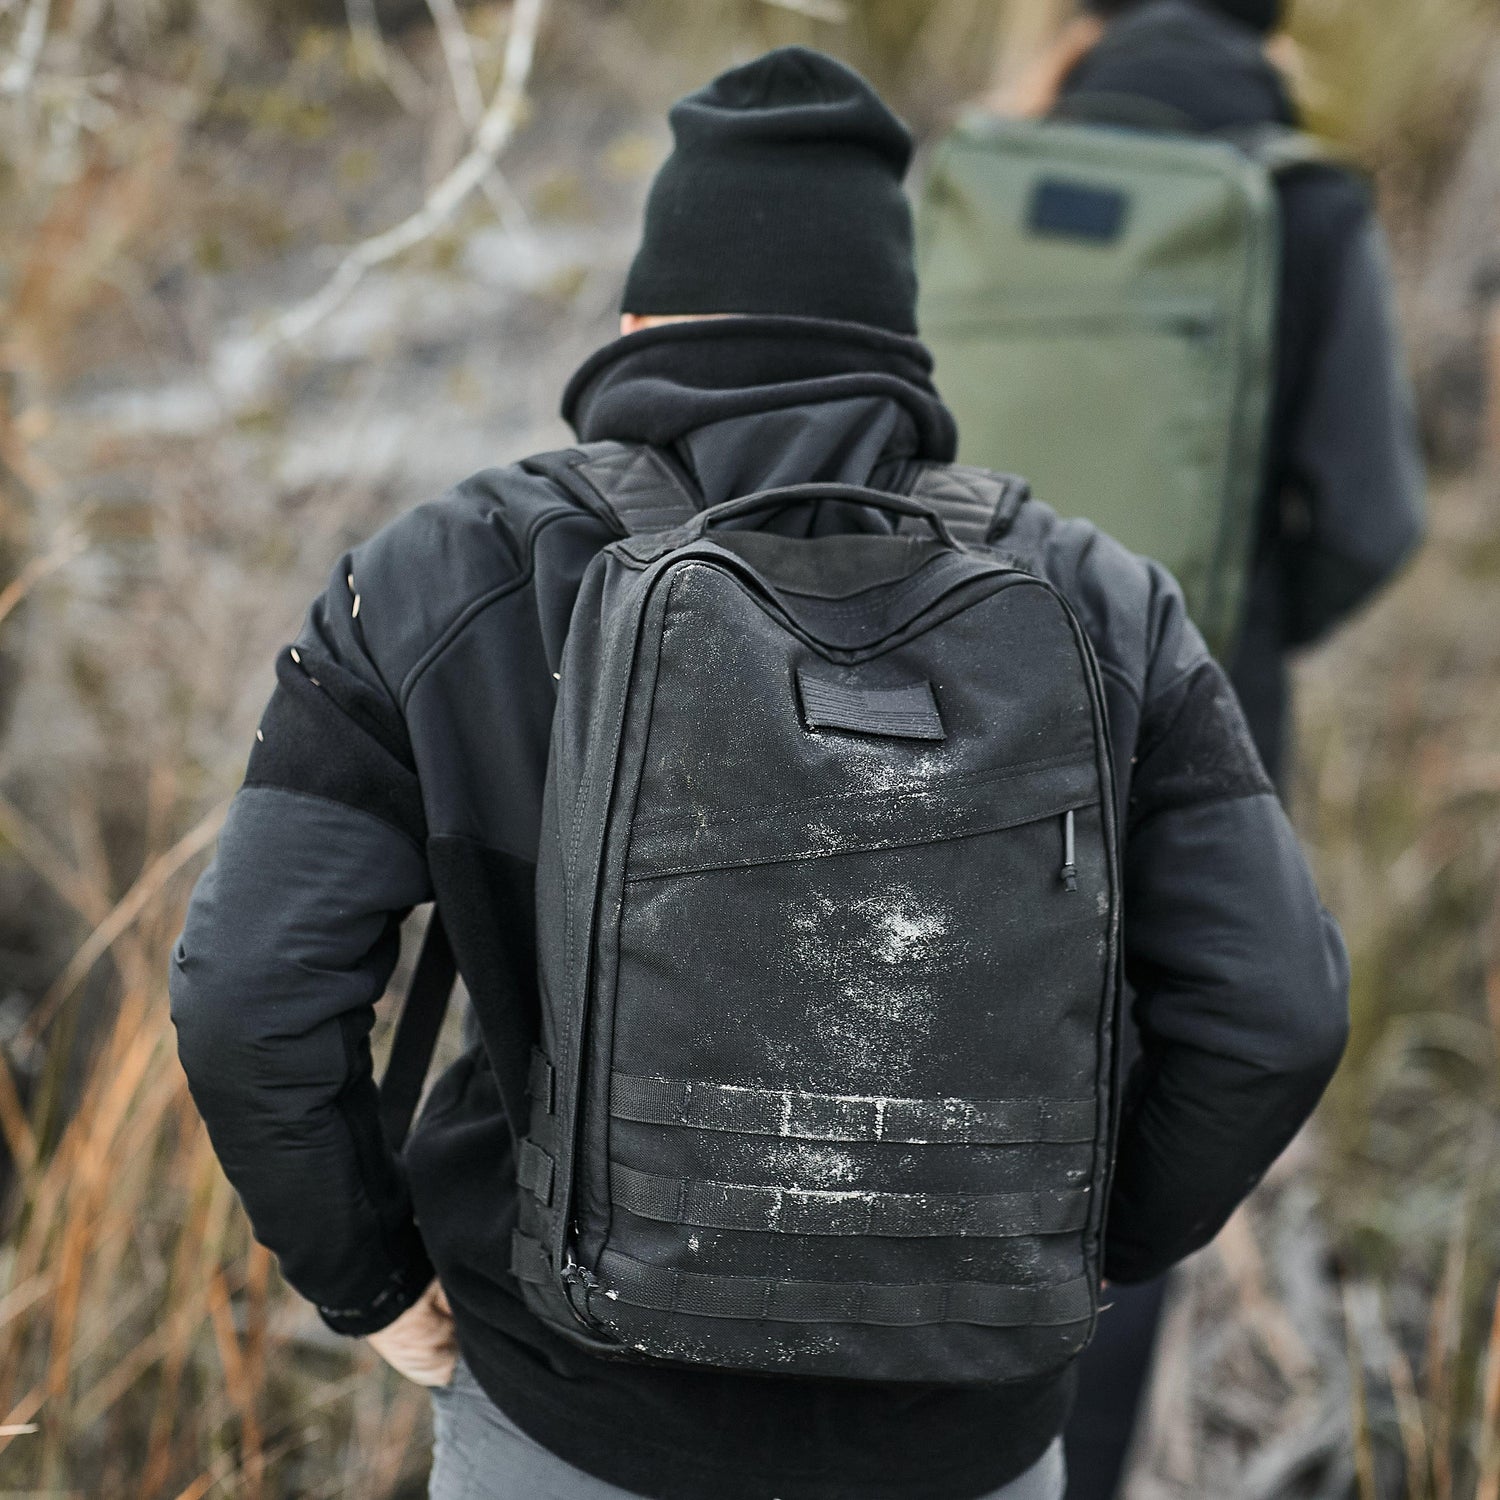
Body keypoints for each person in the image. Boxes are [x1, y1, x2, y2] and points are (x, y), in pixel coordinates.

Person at [169, 46, 1350, 1500]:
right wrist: (1060, 1249)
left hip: (573, 1420)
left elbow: (246, 996)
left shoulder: (444, 577)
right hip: (965, 1442)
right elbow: (1278, 1011)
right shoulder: (1105, 602)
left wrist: (371, 1286)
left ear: (639, 316)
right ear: (897, 337)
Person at [984, 3, 1423, 1493]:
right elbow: (1370, 518)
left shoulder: (981, 173)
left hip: (932, 728)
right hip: (1180, 768)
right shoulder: (1301, 203)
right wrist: (1213, 639)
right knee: (1120, 1168)